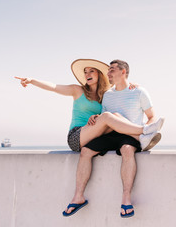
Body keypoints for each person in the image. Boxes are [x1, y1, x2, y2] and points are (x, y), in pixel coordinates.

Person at [62, 59, 164, 218]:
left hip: (128, 136)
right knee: (86, 150)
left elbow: (151, 116)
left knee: (127, 150)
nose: (108, 73)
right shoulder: (107, 95)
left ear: (123, 72)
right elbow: (105, 117)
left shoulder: (139, 92)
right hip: (112, 133)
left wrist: (149, 124)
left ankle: (126, 198)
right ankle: (78, 197)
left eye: (111, 70)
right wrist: (95, 117)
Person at [15, 59, 163, 153]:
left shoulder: (106, 95)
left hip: (96, 134)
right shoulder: (77, 90)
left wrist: (131, 83)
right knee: (108, 117)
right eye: (85, 72)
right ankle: (143, 131)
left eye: (91, 71)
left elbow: (121, 87)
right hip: (77, 135)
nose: (87, 74)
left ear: (99, 74)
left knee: (115, 116)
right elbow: (54, 86)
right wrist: (32, 80)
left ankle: (142, 136)